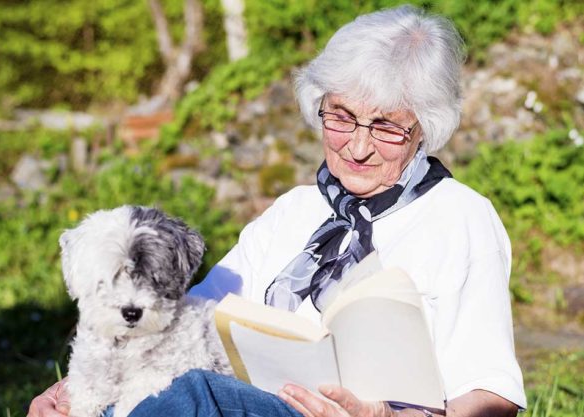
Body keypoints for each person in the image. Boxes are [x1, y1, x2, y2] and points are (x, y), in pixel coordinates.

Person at [28, 5, 526, 417]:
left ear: (425, 129)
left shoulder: (462, 218)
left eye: (386, 127)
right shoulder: (294, 210)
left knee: (192, 397)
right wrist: (70, 394)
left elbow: (492, 398)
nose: (356, 146)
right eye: (341, 116)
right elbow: (181, 321)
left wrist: (384, 416)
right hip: (247, 403)